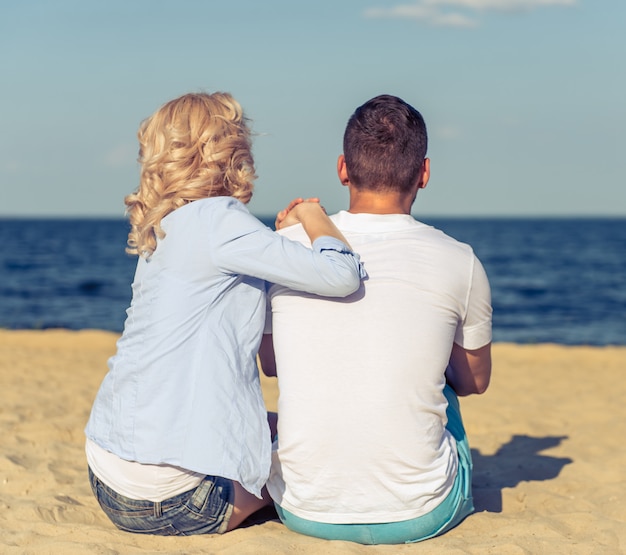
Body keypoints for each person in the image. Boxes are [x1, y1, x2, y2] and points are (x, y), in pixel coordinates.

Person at [84, 92, 364, 536]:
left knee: (284, 426)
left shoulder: (165, 227)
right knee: (312, 462)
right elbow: (342, 274)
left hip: (104, 471)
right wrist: (314, 217)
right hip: (171, 500)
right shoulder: (220, 220)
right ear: (230, 151)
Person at [260, 94, 492, 544]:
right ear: (423, 173)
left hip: (303, 509)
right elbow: (475, 382)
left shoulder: (287, 245)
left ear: (343, 169)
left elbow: (270, 364)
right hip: (421, 513)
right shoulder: (459, 260)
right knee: (441, 378)